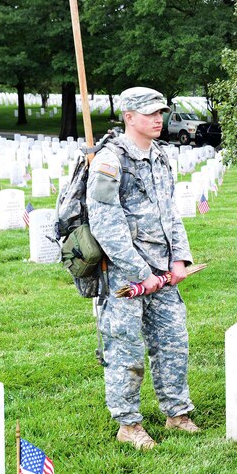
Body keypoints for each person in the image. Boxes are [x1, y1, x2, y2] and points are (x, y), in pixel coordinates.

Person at [87, 87, 198, 450]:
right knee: (125, 348)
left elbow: (170, 211)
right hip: (124, 274)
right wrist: (140, 272)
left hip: (163, 270)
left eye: (161, 112)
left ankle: (176, 411)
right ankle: (128, 423)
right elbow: (106, 223)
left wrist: (179, 258)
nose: (158, 119)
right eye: (149, 113)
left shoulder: (161, 156)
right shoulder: (110, 160)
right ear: (129, 117)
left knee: (173, 342)